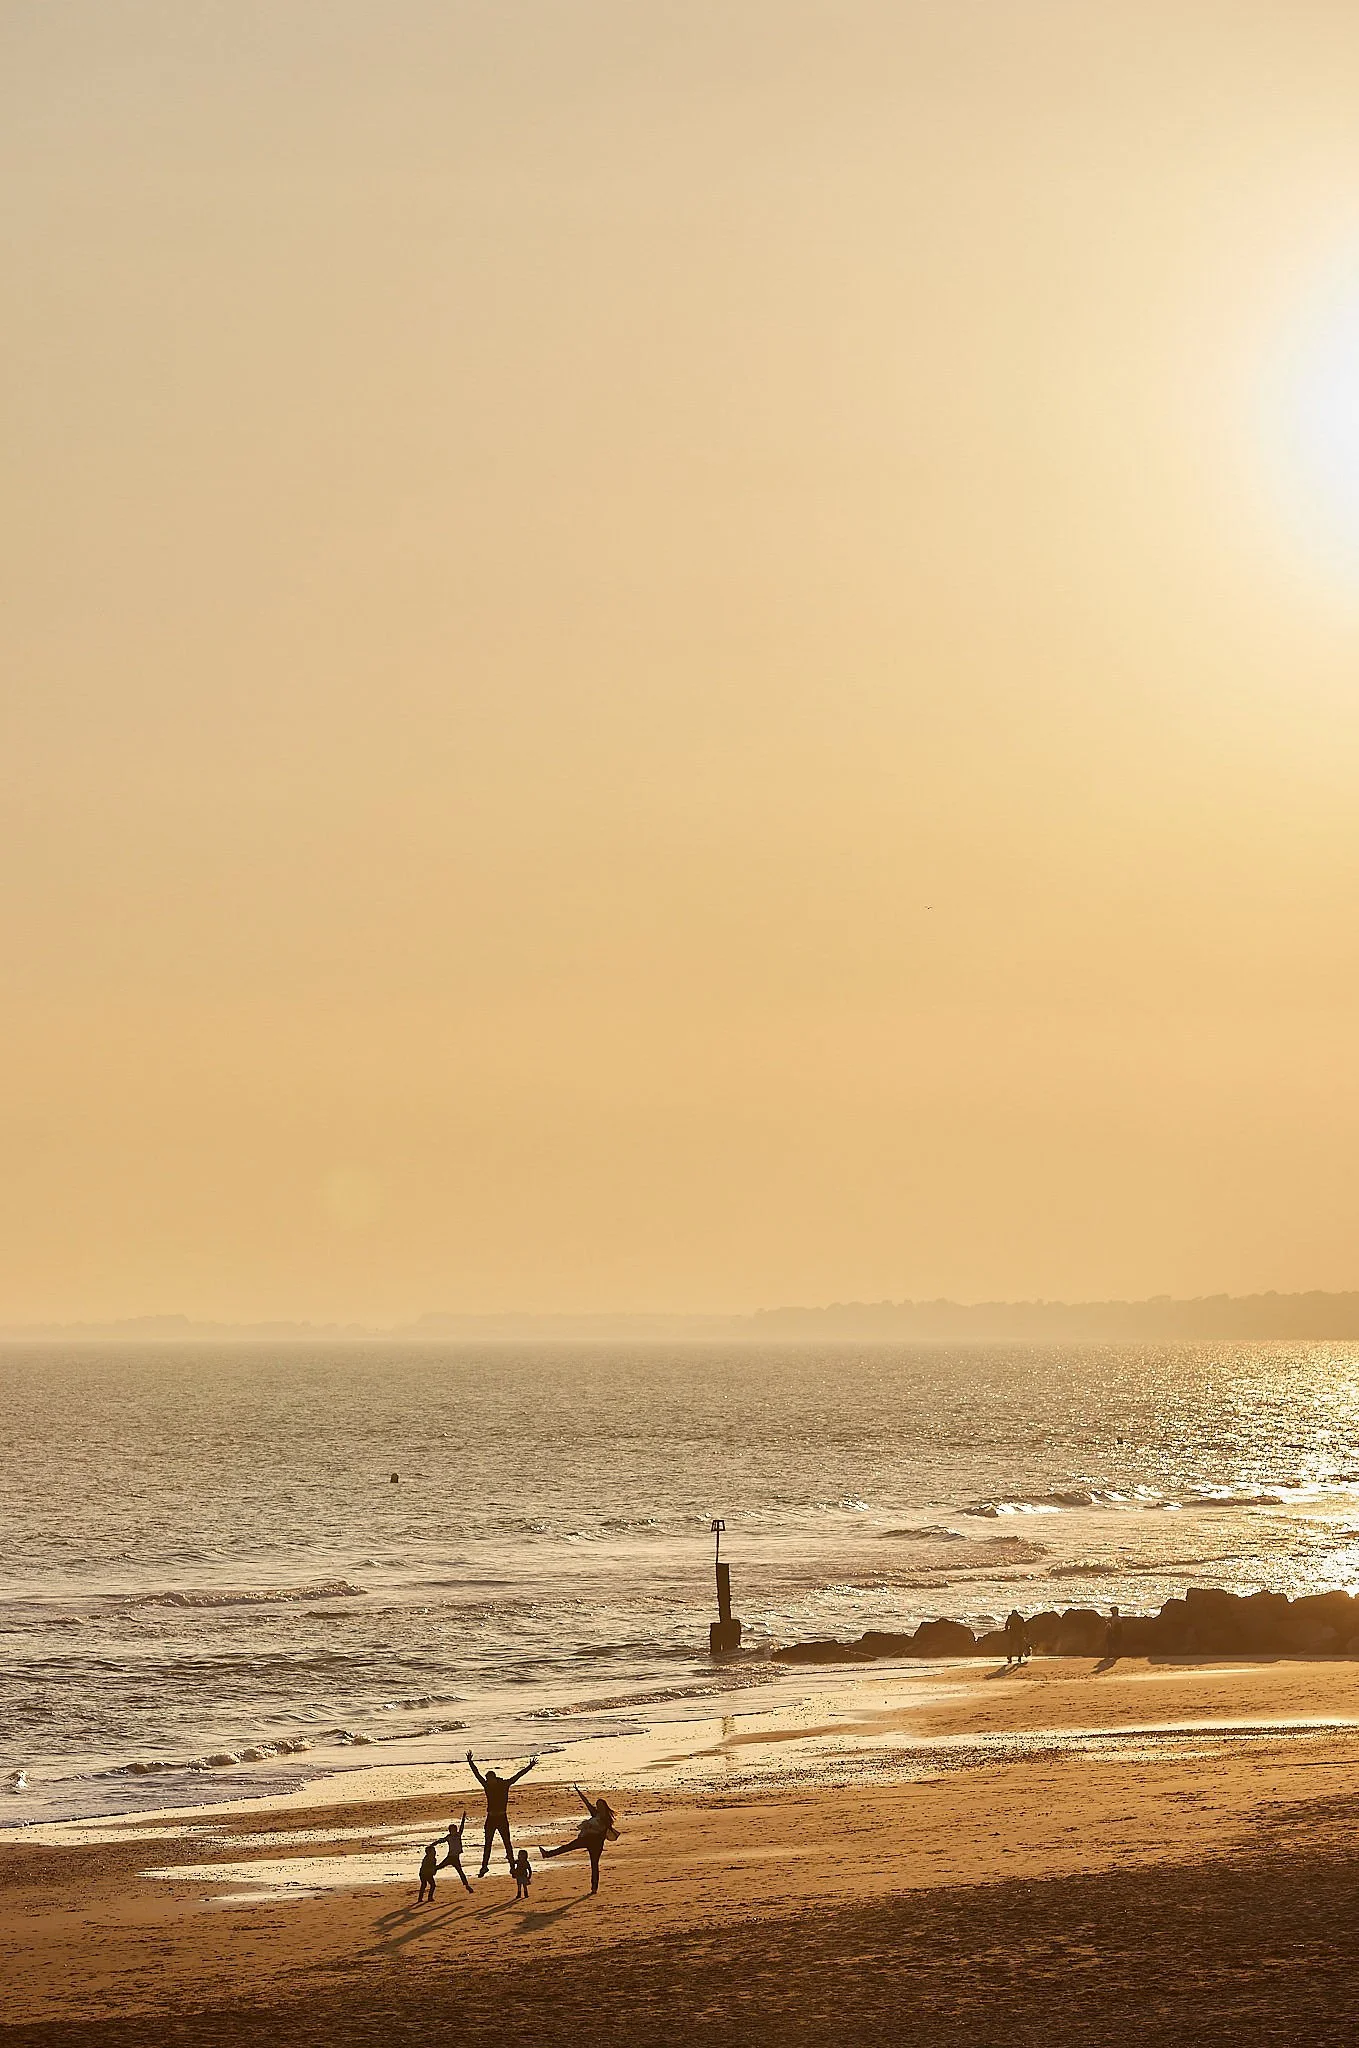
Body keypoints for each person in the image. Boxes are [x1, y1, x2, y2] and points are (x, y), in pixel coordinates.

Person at [466, 1749, 538, 1876]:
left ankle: (512, 1866)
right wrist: (470, 1762)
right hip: (491, 1818)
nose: (487, 1782)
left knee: (507, 1843)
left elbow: (518, 1776)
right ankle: (484, 1866)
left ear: (493, 1778)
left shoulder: (504, 1784)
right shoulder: (487, 1785)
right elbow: (477, 1775)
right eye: (487, 1781)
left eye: (489, 1780)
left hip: (502, 1817)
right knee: (487, 1843)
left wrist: (530, 1766)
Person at [538, 1785, 620, 1896]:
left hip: (597, 1844)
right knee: (568, 1846)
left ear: (604, 1806)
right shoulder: (595, 1813)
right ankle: (547, 1854)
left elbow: (602, 1831)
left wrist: (590, 1827)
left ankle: (594, 1888)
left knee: (594, 1865)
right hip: (587, 1839)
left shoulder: (606, 1819)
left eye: (600, 1805)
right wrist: (578, 1791)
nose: (598, 1806)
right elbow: (586, 1803)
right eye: (597, 1805)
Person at [438, 1812, 473, 1893]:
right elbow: (441, 1841)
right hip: (449, 1857)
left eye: (454, 1830)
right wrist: (434, 1843)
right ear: (450, 1831)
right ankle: (429, 1872)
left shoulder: (458, 1835)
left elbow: (462, 1827)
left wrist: (463, 1819)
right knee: (439, 1867)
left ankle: (467, 1885)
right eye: (452, 1830)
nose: (454, 1831)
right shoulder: (448, 1837)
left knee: (460, 1872)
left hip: (455, 1858)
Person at [417, 1839, 440, 1905]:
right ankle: (422, 1898)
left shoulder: (433, 1859)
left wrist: (434, 1871)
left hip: (428, 1873)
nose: (435, 1852)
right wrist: (433, 1870)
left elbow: (433, 1867)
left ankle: (428, 1897)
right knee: (425, 1885)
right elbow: (426, 1867)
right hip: (424, 1874)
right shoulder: (427, 1859)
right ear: (428, 1853)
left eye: (434, 1851)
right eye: (433, 1851)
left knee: (431, 1885)